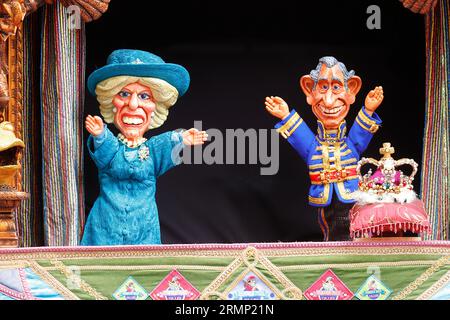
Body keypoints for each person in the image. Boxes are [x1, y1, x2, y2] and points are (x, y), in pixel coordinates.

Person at [81, 49, 208, 245]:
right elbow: (106, 157)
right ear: (111, 102)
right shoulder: (113, 146)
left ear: (156, 105)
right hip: (105, 225)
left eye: (144, 96)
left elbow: (166, 143)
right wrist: (100, 135)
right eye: (124, 94)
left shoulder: (154, 149)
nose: (133, 104)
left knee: (143, 269)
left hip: (144, 228)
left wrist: (182, 138)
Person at [265, 56, 384, 241]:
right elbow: (301, 138)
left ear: (351, 89)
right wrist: (285, 115)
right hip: (325, 195)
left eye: (336, 87)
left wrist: (368, 110)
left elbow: (360, 136)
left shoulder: (349, 144)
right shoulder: (314, 147)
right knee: (330, 227)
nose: (329, 101)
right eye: (323, 88)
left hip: (350, 192)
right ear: (309, 90)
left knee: (356, 226)